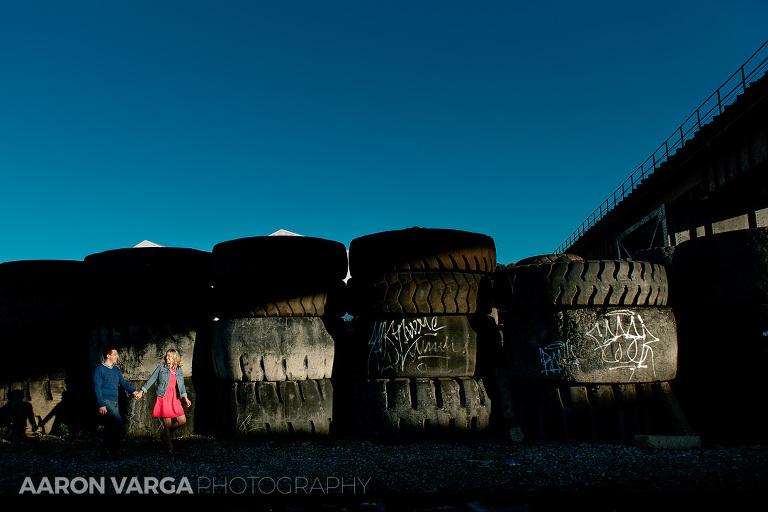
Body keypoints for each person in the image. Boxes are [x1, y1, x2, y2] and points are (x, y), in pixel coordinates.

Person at [136, 348, 191, 455]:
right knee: (167, 424)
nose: (166, 358)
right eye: (166, 356)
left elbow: (182, 385)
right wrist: (141, 392)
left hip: (175, 398)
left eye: (169, 356)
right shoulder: (161, 368)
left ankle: (165, 435)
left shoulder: (178, 370)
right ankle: (170, 448)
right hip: (164, 397)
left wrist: (185, 397)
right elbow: (151, 380)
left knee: (182, 420)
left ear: (174, 358)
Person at [93, 348, 140, 460]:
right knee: (118, 422)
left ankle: (107, 452)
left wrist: (133, 391)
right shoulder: (99, 369)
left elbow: (123, 382)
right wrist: (101, 404)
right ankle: (114, 450)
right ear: (108, 356)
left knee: (110, 427)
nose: (117, 356)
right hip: (106, 401)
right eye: (115, 354)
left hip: (115, 401)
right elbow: (97, 388)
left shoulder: (116, 370)